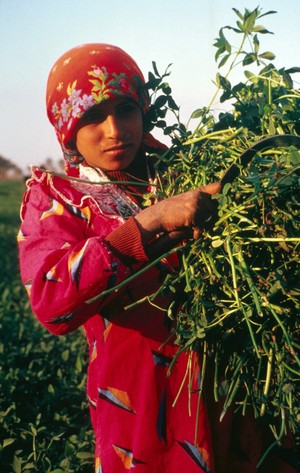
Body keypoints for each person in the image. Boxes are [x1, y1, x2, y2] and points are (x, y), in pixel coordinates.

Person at [18, 44, 297, 473]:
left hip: (232, 394)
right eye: (93, 116)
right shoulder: (56, 197)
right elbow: (52, 304)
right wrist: (148, 224)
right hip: (142, 411)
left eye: (126, 109)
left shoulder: (179, 169)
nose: (115, 130)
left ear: (143, 111)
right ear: (67, 127)